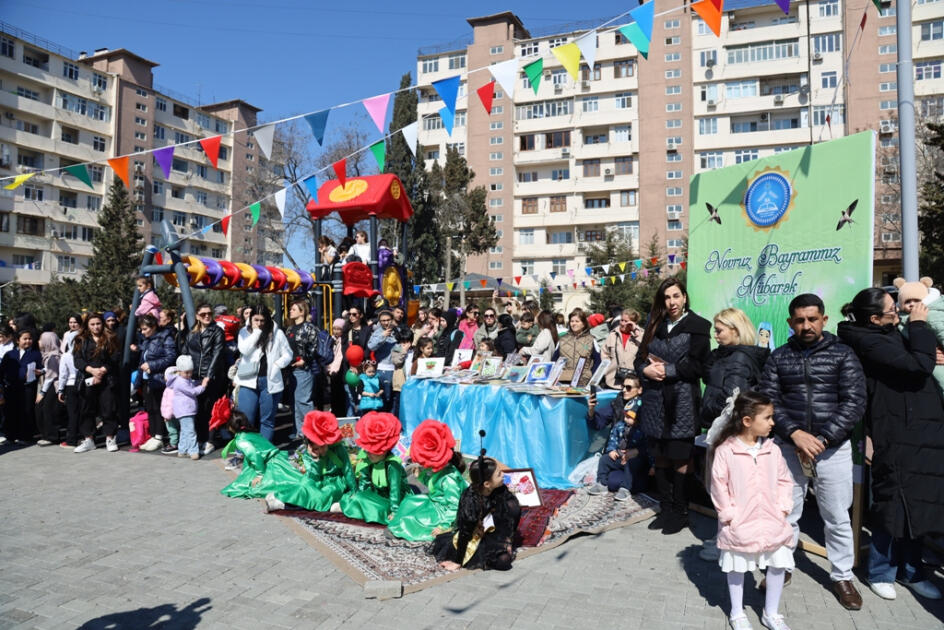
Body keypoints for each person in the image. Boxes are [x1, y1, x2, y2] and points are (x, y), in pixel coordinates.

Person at [758, 293, 866, 610]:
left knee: (836, 517)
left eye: (812, 319)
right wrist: (795, 434)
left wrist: (821, 439)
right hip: (789, 448)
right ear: (791, 322)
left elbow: (854, 402)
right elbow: (768, 401)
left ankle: (842, 575)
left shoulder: (844, 355)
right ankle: (781, 567)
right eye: (800, 320)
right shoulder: (778, 357)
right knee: (785, 513)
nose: (806, 325)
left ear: (824, 320)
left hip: (832, 450)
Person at [837, 288, 944, 601]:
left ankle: (912, 571)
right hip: (896, 430)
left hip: (923, 431)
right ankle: (881, 570)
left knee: (920, 502)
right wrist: (920, 326)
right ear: (874, 318)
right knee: (891, 502)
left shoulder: (886, 332)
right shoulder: (867, 340)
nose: (900, 313)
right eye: (893, 310)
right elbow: (918, 365)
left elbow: (925, 358)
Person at [709, 390, 795, 630]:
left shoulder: (772, 450)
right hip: (740, 522)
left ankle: (771, 612)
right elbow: (718, 484)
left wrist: (783, 508)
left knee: (778, 563)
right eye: (767, 418)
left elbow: (784, 481)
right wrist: (728, 514)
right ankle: (737, 612)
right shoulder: (726, 451)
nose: (772, 423)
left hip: (772, 520)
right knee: (737, 565)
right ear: (747, 421)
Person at [634, 278, 711, 535]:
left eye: (676, 296)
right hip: (655, 401)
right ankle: (666, 509)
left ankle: (681, 511)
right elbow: (639, 358)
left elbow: (699, 366)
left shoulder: (698, 326)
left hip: (682, 402)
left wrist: (667, 370)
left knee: (681, 458)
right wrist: (645, 370)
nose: (672, 302)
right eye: (667, 297)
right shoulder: (654, 324)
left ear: (685, 297)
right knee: (661, 457)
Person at [431, 452, 522, 572]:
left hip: (494, 530)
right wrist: (458, 561)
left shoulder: (500, 489)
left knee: (512, 505)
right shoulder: (470, 501)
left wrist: (507, 540)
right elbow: (465, 533)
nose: (503, 475)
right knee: (503, 561)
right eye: (499, 474)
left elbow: (513, 514)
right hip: (473, 537)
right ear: (487, 484)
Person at [259, 411, 357, 513]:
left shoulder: (339, 449)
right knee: (303, 487)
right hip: (317, 479)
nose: (321, 451)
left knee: (323, 495)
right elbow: (313, 476)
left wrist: (354, 491)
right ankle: (280, 497)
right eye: (316, 448)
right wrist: (315, 459)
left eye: (323, 446)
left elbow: (347, 470)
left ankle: (282, 504)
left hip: (335, 482)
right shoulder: (307, 452)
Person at [388, 419, 468, 542]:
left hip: (444, 513)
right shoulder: (441, 470)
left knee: (413, 519)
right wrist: (421, 476)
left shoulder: (449, 479)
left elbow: (454, 505)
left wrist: (444, 526)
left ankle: (404, 528)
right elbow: (434, 487)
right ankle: (399, 522)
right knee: (409, 502)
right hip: (434, 503)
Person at [701, 308, 769, 427]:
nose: (715, 336)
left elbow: (730, 399)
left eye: (719, 331)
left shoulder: (739, 358)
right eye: (715, 331)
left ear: (736, 331)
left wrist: (706, 411)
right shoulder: (724, 354)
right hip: (721, 424)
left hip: (728, 426)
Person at [234, 306, 293, 441]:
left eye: (262, 320)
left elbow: (288, 354)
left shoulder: (277, 333)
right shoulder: (244, 331)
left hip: (269, 380)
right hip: (248, 380)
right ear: (250, 318)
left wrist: (278, 365)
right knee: (244, 419)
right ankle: (243, 451)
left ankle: (264, 452)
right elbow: (244, 349)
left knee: (267, 420)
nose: (259, 323)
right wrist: (255, 332)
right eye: (256, 320)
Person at [586, 373, 648, 500]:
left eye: (629, 387)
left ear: (640, 389)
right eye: (623, 387)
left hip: (638, 458)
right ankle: (607, 483)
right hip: (620, 455)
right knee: (612, 480)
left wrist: (637, 451)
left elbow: (651, 441)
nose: (624, 390)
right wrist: (591, 410)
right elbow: (598, 423)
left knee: (629, 480)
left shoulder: (647, 407)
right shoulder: (618, 402)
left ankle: (630, 486)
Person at [340, 412, 409, 524]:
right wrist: (360, 495)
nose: (369, 453)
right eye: (367, 450)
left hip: (394, 500)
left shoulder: (392, 465)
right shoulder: (367, 459)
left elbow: (395, 491)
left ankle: (374, 512)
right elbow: (364, 483)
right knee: (355, 498)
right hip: (377, 495)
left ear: (385, 450)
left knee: (373, 507)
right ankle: (364, 508)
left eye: (373, 451)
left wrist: (395, 511)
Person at [73, 314, 121, 453]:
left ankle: (110, 437)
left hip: (107, 379)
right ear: (87, 325)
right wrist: (91, 370)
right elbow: (77, 360)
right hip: (88, 379)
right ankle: (88, 439)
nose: (96, 327)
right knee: (86, 409)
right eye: (92, 324)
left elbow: (116, 356)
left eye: (98, 323)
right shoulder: (81, 340)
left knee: (108, 408)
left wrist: (103, 370)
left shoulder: (111, 338)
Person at [184, 303, 226, 455]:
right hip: (195, 376)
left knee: (212, 409)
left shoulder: (217, 332)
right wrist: (181, 372)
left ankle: (211, 440)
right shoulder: (192, 333)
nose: (207, 316)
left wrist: (208, 376)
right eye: (203, 314)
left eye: (209, 313)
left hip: (212, 376)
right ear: (197, 316)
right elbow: (185, 353)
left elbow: (217, 354)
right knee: (199, 409)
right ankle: (201, 438)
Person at [136, 314, 178, 451]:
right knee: (151, 408)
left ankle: (160, 435)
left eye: (145, 329)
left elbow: (171, 357)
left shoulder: (165, 337)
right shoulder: (146, 340)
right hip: (147, 379)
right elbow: (142, 359)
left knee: (160, 408)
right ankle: (154, 435)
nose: (143, 332)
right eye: (141, 329)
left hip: (160, 379)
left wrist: (152, 365)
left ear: (153, 327)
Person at [285, 300, 320, 440]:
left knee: (303, 401)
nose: (290, 311)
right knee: (295, 401)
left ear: (302, 311)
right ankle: (300, 431)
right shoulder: (289, 329)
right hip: (291, 369)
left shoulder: (309, 328)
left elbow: (314, 346)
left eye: (294, 309)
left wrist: (304, 360)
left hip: (304, 369)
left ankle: (312, 431)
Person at [0, 329, 42, 444]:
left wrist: (40, 371)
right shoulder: (10, 354)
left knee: (26, 411)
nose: (28, 341)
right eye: (25, 339)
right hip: (11, 386)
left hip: (28, 387)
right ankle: (10, 436)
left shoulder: (35, 354)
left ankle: (25, 436)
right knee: (10, 411)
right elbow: (2, 370)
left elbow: (42, 367)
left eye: (30, 339)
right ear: (18, 340)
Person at [166, 355, 207, 461]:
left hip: (184, 410)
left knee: (185, 431)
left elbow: (191, 383)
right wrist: (203, 385)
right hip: (185, 410)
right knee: (190, 431)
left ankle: (182, 450)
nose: (189, 375)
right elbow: (193, 391)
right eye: (186, 372)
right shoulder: (180, 382)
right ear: (179, 371)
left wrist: (197, 382)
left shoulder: (182, 379)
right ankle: (193, 451)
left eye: (190, 372)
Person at [554, 308, 601, 387]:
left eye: (577, 321)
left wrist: (590, 375)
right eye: (572, 321)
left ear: (583, 323)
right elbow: (554, 359)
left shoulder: (591, 340)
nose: (574, 324)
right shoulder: (562, 340)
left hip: (583, 382)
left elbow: (598, 361)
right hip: (563, 382)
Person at [602, 309, 644, 390]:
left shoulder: (642, 335)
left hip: (633, 384)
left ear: (633, 323)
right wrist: (607, 370)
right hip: (612, 382)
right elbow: (604, 354)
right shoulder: (613, 335)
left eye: (626, 321)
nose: (622, 323)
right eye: (621, 320)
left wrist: (637, 333)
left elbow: (646, 350)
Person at [367, 310, 398, 411]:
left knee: (394, 398)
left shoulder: (397, 331)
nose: (385, 322)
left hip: (397, 368)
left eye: (388, 320)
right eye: (383, 321)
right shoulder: (377, 332)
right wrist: (382, 336)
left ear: (392, 320)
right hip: (384, 368)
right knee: (385, 397)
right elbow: (371, 346)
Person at [56, 343, 80, 449]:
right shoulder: (87, 353)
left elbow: (63, 374)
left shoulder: (66, 355)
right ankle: (87, 437)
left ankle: (71, 440)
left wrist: (60, 389)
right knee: (84, 411)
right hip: (85, 384)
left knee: (72, 413)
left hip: (71, 385)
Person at [326, 318, 347, 418]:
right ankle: (335, 414)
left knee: (339, 394)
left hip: (338, 370)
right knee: (334, 394)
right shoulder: (332, 339)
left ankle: (339, 415)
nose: (336, 331)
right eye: (334, 328)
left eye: (339, 329)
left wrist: (333, 369)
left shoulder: (342, 340)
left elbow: (339, 356)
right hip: (332, 369)